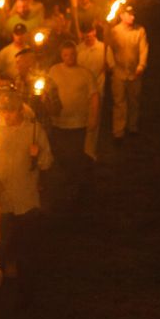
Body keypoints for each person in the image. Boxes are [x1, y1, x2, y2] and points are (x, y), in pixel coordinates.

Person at [0, 88, 53, 298]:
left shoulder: (34, 131)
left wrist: (37, 155)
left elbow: (47, 163)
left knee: (25, 243)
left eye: (10, 111)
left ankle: (27, 287)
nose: (6, 115)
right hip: (1, 199)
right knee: (3, 241)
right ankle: (3, 279)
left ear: (20, 110)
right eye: (3, 111)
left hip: (25, 198)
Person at [47, 41, 99, 200]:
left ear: (76, 55)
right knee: (62, 155)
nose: (69, 57)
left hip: (78, 124)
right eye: (65, 54)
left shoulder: (86, 73)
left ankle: (78, 185)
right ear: (61, 56)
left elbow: (94, 97)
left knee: (76, 155)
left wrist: (93, 118)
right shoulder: (54, 70)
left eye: (72, 54)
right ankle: (65, 183)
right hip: (59, 123)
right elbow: (48, 91)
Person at [109, 4, 149, 139]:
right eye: (129, 14)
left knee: (134, 101)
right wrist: (112, 66)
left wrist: (141, 66)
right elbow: (109, 49)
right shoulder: (115, 31)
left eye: (133, 14)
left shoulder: (140, 31)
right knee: (119, 102)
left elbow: (144, 49)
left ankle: (132, 127)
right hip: (119, 72)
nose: (132, 17)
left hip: (134, 73)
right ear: (121, 16)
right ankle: (118, 131)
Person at [76, 24, 114, 161]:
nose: (88, 35)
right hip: (81, 91)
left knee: (94, 122)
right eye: (85, 32)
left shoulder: (104, 48)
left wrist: (107, 66)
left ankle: (90, 151)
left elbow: (111, 67)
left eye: (90, 32)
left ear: (95, 32)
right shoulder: (78, 49)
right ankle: (81, 149)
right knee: (81, 121)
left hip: (97, 91)